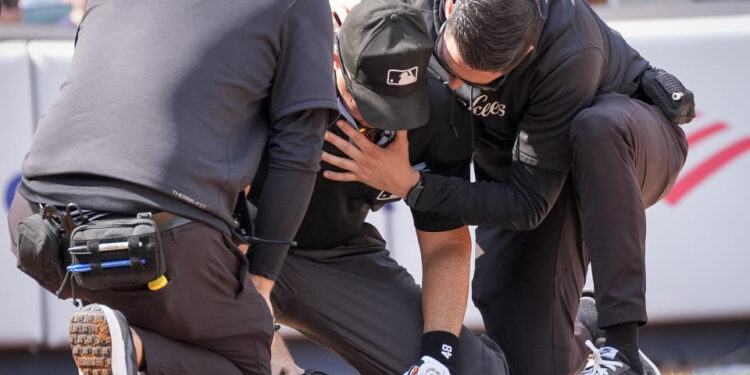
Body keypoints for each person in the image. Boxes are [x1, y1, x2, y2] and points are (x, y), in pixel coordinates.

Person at [322, 0, 690, 374]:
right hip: (528, 171)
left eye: (472, 81)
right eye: (446, 66)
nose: (449, 86)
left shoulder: (569, 52)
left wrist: (412, 185)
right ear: (450, 6)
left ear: (525, 53)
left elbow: (528, 206)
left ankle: (622, 350)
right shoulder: (415, 8)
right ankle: (585, 325)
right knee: (523, 345)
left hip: (626, 151)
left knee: (597, 129)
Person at [6, 0, 337, 373]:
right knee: (251, 362)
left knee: (157, 328)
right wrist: (261, 280)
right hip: (155, 230)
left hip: (33, 222)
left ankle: (124, 344)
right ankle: (132, 345)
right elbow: (299, 147)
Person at [247, 1, 510, 374]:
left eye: (399, 104)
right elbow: (208, 221)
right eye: (367, 101)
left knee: (473, 370)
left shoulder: (440, 110)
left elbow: (446, 243)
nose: (379, 117)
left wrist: (437, 358)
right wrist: (272, 351)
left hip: (334, 254)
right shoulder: (272, 81)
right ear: (336, 58)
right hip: (235, 253)